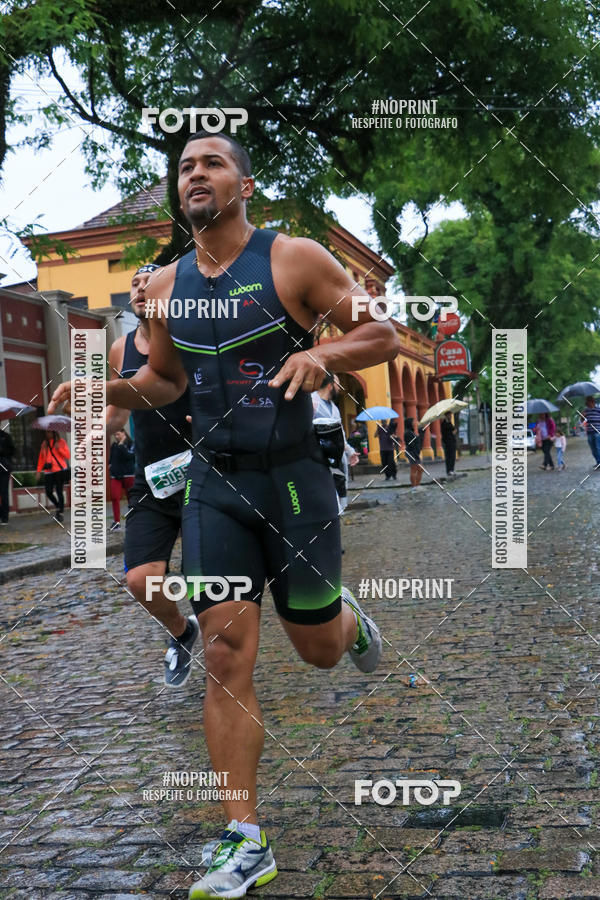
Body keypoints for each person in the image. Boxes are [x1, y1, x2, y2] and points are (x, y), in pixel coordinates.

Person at [50, 130, 399, 900]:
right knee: (225, 652)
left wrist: (323, 356)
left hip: (295, 482)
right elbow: (166, 382)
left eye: (212, 163)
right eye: (185, 167)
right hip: (214, 487)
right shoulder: (164, 284)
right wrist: (102, 391)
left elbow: (382, 334)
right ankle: (245, 838)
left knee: (316, 649)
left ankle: (347, 623)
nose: (196, 174)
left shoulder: (295, 259)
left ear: (245, 186)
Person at [105, 264, 198, 688]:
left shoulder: (192, 335)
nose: (141, 289)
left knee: (206, 580)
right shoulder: (120, 349)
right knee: (140, 579)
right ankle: (182, 632)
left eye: (150, 282)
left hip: (204, 474)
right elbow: (119, 411)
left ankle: (227, 662)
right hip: (152, 479)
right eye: (135, 284)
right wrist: (93, 432)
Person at [311, 373, 358, 510]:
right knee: (324, 499)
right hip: (318, 460)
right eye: (338, 384)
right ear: (330, 385)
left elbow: (340, 435)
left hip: (336, 462)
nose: (339, 388)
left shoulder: (334, 409)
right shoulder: (312, 402)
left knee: (338, 497)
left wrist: (350, 451)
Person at [36, 429, 69, 522]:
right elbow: (41, 458)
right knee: (48, 491)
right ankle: (58, 506)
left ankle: (61, 512)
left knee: (59, 491)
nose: (47, 433)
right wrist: (38, 471)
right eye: (46, 432)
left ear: (54, 432)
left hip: (59, 470)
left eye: (49, 432)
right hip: (48, 471)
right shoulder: (44, 444)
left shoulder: (61, 442)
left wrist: (59, 449)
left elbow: (67, 455)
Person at [108, 428, 135, 530]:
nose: (116, 437)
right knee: (115, 497)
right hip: (115, 476)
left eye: (118, 434)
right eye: (115, 435)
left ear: (123, 433)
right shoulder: (114, 445)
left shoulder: (131, 444)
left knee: (131, 498)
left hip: (128, 475)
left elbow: (130, 456)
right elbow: (111, 459)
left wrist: (122, 445)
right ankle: (116, 522)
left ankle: (133, 520)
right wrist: (110, 466)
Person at [0, 426, 15, 524]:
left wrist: (2, 450)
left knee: (4, 492)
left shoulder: (5, 436)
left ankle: (5, 516)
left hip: (4, 468)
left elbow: (12, 451)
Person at [404, 417, 423, 492]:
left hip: (415, 453)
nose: (415, 423)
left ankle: (417, 485)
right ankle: (414, 486)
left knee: (420, 469)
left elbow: (419, 438)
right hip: (412, 453)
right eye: (413, 422)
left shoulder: (412, 432)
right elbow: (411, 444)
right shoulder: (408, 433)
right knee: (414, 469)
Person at [582, 395, 600, 467]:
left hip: (598, 431)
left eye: (589, 402)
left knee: (598, 447)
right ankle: (598, 462)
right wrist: (582, 416)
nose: (588, 404)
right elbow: (582, 421)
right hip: (589, 432)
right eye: (587, 403)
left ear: (593, 402)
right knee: (593, 449)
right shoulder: (586, 410)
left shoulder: (598, 409)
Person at [440, 411, 457, 477]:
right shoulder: (444, 424)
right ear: (446, 416)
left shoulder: (450, 423)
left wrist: (454, 431)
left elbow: (453, 429)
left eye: (451, 415)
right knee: (449, 456)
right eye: (449, 415)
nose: (451, 416)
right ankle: (449, 470)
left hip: (452, 442)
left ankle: (452, 469)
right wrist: (452, 432)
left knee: (453, 456)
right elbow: (446, 433)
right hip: (448, 442)